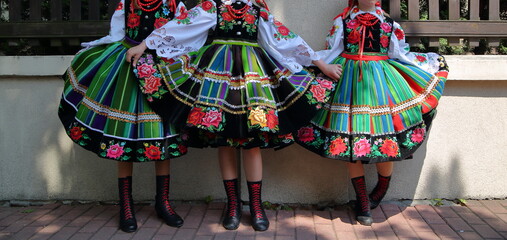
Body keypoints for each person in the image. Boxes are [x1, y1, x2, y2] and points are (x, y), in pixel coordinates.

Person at [127, 0, 342, 231]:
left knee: (252, 142)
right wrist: (145, 45)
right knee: (225, 141)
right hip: (216, 78)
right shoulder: (213, 6)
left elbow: (285, 38)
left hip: (253, 77)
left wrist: (321, 64)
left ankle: (256, 206)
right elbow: (182, 26)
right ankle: (232, 204)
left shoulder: (257, 10)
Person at [295, 0, 449, 226]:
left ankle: (382, 187)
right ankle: (362, 199)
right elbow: (332, 50)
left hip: (381, 84)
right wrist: (320, 65)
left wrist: (427, 64)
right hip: (348, 84)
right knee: (348, 139)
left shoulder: (389, 23)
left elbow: (400, 54)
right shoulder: (343, 20)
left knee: (386, 139)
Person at [58, 0, 189, 233]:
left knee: (162, 131)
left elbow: (182, 32)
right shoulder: (127, 2)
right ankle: (126, 205)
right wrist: (94, 49)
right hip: (126, 67)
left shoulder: (174, 3)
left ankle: (163, 201)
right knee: (122, 132)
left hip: (160, 70)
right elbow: (116, 33)